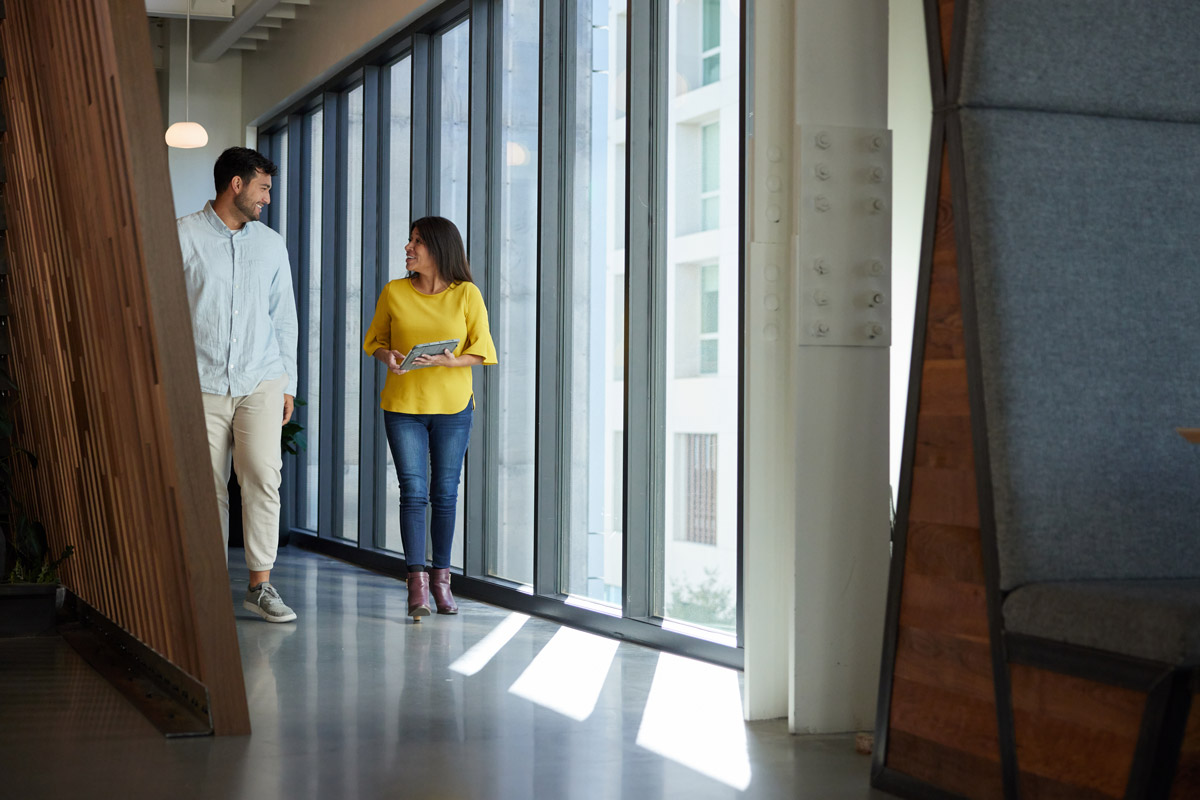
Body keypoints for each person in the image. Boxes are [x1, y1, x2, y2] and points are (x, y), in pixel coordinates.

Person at [178, 147, 299, 624]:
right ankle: (207, 587)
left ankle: (260, 586)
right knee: (208, 488)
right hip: (201, 380)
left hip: (260, 379)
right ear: (236, 184)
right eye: (263, 187)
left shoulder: (270, 244)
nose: (267, 198)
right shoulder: (183, 236)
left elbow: (283, 318)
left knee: (263, 478)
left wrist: (286, 381)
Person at [363, 216, 497, 620]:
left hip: (454, 408)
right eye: (409, 241)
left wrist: (452, 360)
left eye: (416, 242)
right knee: (413, 491)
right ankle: (416, 582)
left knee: (445, 493)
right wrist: (389, 356)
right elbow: (376, 342)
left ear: (438, 249)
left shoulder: (466, 295)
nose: (408, 247)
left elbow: (484, 351)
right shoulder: (394, 292)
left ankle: (442, 580)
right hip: (403, 406)